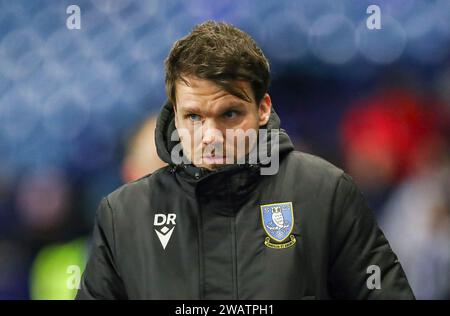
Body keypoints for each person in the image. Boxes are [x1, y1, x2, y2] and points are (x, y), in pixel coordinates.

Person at [76, 21, 414, 299]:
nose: (211, 136)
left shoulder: (325, 193)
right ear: (175, 116)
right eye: (194, 117)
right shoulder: (123, 215)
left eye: (230, 113)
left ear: (263, 108)